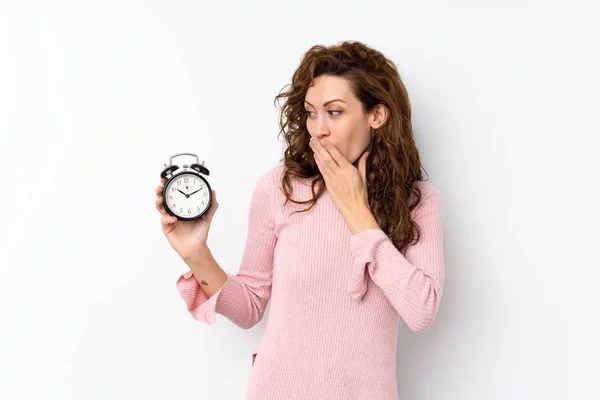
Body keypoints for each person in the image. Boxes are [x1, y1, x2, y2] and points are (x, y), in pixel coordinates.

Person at [154, 40, 445, 400]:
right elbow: (249, 308)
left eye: (334, 112)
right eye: (310, 112)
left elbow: (422, 310)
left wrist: (357, 212)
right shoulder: (280, 188)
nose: (317, 129)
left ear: (377, 115)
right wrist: (195, 252)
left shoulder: (417, 201)